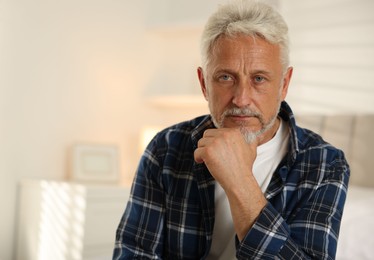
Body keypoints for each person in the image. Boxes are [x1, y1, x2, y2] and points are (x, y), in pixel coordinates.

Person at [113, 0, 350, 259]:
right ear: (204, 84)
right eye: (226, 77)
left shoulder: (326, 164)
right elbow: (133, 253)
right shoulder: (165, 148)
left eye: (259, 79)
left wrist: (240, 181)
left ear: (284, 84)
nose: (241, 99)